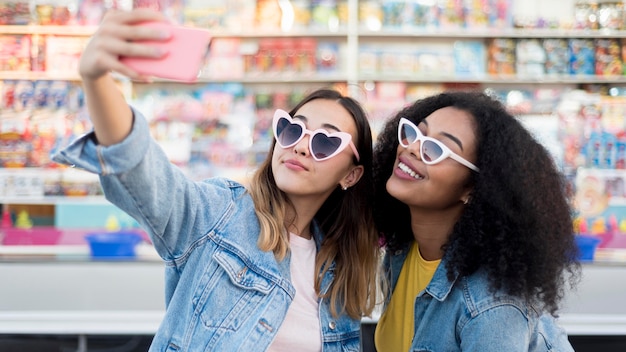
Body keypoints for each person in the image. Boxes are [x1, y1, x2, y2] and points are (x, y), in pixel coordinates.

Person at [52, 9, 380, 351]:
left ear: (351, 175)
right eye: (292, 128)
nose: (299, 145)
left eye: (325, 141)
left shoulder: (339, 274)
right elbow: (144, 173)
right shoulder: (222, 214)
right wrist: (96, 79)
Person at [371, 91, 580, 351]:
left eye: (435, 149)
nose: (412, 147)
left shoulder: (491, 304)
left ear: (473, 188)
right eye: (415, 133)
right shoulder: (402, 250)